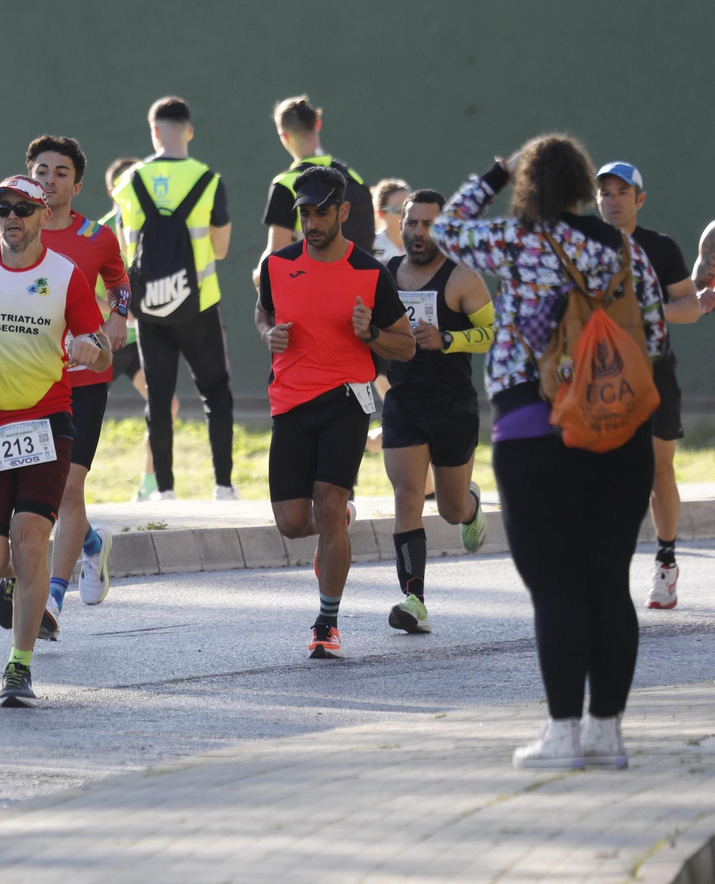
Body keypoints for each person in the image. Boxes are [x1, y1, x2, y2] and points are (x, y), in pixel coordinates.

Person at [431, 135, 668, 770]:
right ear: (585, 186)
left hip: (536, 433)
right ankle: (606, 735)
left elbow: (448, 229)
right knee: (608, 586)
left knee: (557, 589)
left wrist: (494, 172)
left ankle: (562, 735)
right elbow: (657, 333)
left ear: (531, 187)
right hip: (620, 435)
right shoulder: (624, 249)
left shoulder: (517, 240)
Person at [0, 175, 110, 707]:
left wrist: (87, 349)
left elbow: (100, 348)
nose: (11, 218)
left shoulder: (65, 275)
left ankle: (19, 667)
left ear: (41, 215)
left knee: (30, 545)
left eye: (23, 209)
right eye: (3, 210)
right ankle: (12, 581)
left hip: (47, 424)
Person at [255, 166, 414, 660]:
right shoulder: (277, 266)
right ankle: (339, 520)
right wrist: (268, 335)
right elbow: (264, 313)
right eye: (304, 212)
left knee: (326, 499)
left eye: (321, 211)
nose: (311, 221)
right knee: (291, 521)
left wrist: (370, 334)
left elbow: (405, 347)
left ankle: (326, 622)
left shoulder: (371, 272)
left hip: (347, 399)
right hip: (290, 401)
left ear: (343, 212)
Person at [0, 136, 130, 630]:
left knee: (69, 488)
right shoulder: (5, 234)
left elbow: (120, 284)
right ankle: (92, 542)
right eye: (41, 170)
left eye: (60, 172)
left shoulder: (98, 238)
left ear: (76, 184)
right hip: (25, 380)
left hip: (85, 378)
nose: (49, 180)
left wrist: (118, 319)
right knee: (29, 489)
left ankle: (51, 601)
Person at [594, 162, 713, 610]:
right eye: (605, 192)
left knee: (658, 469)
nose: (613, 199)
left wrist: (646, 309)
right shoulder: (581, 247)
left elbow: (689, 306)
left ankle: (665, 562)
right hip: (598, 379)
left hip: (654, 374)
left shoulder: (660, 248)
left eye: (622, 192)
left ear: (638, 199)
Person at [379, 191, 494, 635]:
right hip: (404, 402)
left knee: (448, 508)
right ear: (401, 225)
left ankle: (471, 505)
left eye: (428, 224)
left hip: (452, 406)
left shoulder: (463, 279)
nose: (418, 232)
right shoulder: (385, 275)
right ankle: (414, 600)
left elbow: (488, 334)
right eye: (412, 223)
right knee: (407, 496)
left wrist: (446, 339)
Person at [110, 97, 236, 503]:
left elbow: (123, 247)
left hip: (148, 309)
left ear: (154, 131)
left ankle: (163, 489)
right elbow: (220, 249)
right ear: (189, 130)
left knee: (159, 399)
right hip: (199, 304)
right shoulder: (209, 179)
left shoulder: (129, 182)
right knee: (215, 392)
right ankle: (223, 485)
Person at [99, 157, 179, 502]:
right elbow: (84, 295)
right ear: (111, 190)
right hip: (102, 341)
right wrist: (119, 311)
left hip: (136, 345)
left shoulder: (153, 228)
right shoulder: (100, 234)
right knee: (71, 413)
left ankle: (150, 486)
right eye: (124, 185)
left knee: (167, 405)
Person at [260, 96, 373, 264]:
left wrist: (258, 275)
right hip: (357, 286)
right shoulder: (354, 178)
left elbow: (275, 257)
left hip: (309, 286)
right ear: (318, 124)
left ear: (284, 136)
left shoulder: (285, 184)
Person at [371, 178, 410, 262]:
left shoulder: (425, 244)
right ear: (381, 213)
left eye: (409, 207)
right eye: (398, 209)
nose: (406, 213)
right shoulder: (371, 246)